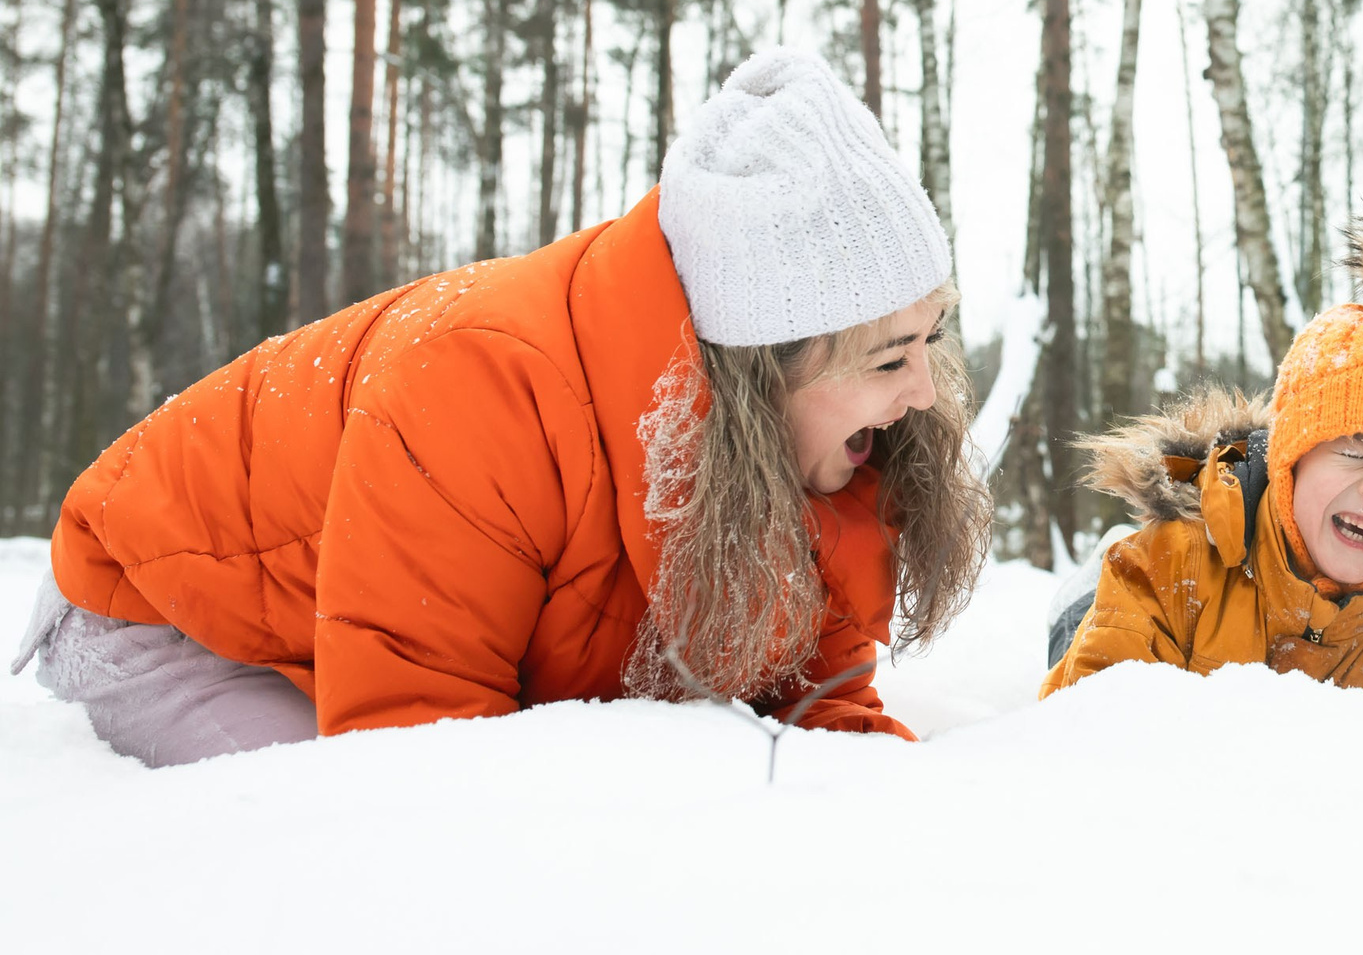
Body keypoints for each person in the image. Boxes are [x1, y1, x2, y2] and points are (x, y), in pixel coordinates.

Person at [11, 48, 989, 764]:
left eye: (930, 338)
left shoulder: (827, 450)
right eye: (887, 357)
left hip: (349, 646)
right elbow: (420, 762)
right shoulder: (480, 395)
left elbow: (816, 710)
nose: (919, 391)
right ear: (755, 368)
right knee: (324, 842)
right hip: (164, 619)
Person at [1041, 183, 1363, 699]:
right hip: (1118, 604)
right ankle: (1085, 586)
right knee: (1086, 618)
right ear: (1292, 457)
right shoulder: (1170, 567)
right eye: (1353, 450)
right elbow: (1094, 719)